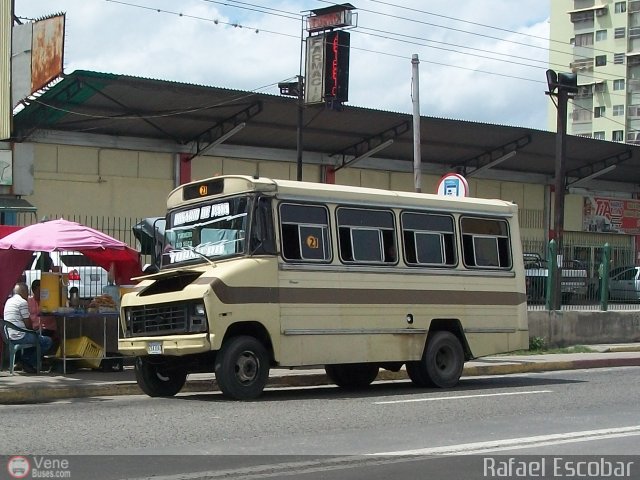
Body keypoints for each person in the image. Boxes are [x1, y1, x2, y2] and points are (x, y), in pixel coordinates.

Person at [3, 282, 53, 373]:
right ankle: (27, 362)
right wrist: (33, 331)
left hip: (9, 336)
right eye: (27, 292)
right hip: (20, 336)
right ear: (23, 292)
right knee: (47, 341)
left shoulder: (9, 301)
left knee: (36, 338)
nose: (28, 295)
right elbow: (28, 324)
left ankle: (25, 360)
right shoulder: (22, 302)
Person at [28, 279, 60, 353]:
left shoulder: (48, 301)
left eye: (42, 291)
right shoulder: (28, 301)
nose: (41, 293)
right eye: (39, 291)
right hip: (34, 329)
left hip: (48, 328)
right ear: (33, 291)